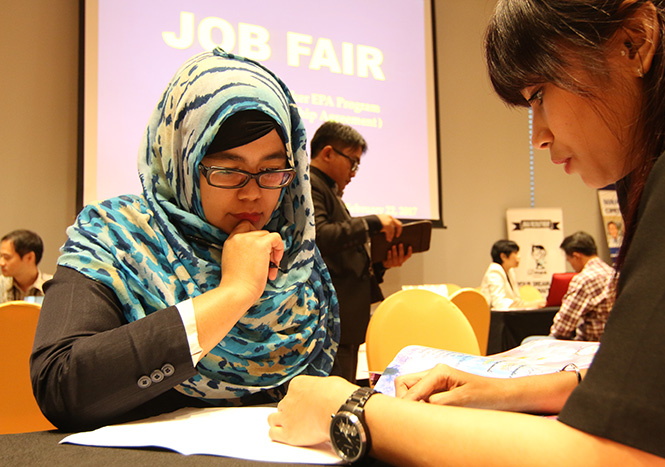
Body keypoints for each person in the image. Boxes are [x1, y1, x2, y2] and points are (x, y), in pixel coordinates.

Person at [268, 0, 665, 464]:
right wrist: (505, 390)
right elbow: (662, 391)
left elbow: (621, 454)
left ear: (634, 43)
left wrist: (350, 409)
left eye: (538, 95)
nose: (538, 136)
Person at [30, 49, 339, 432]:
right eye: (228, 170)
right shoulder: (116, 237)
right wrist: (232, 294)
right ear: (182, 161)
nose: (253, 194)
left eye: (272, 170)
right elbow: (61, 384)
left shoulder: (292, 255)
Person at [309, 121, 412, 383]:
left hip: (346, 319)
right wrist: (373, 222)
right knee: (334, 395)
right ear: (328, 153)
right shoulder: (311, 184)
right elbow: (321, 236)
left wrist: (382, 265)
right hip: (330, 319)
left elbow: (341, 257)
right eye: (352, 162)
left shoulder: (331, 192)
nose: (354, 172)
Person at [550, 231, 615, 341]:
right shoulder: (612, 273)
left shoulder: (584, 279)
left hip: (588, 344)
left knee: (530, 341)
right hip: (611, 341)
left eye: (569, 260)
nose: (572, 265)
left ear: (576, 256)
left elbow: (562, 328)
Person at [479, 239, 542, 309]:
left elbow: (517, 300)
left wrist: (536, 303)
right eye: (515, 253)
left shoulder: (510, 271)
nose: (519, 257)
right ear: (503, 256)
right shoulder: (494, 271)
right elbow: (498, 303)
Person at [0, 229, 52, 303]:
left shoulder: (53, 287)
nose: (1, 263)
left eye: (7, 257)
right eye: (1, 256)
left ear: (29, 258)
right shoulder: (1, 285)